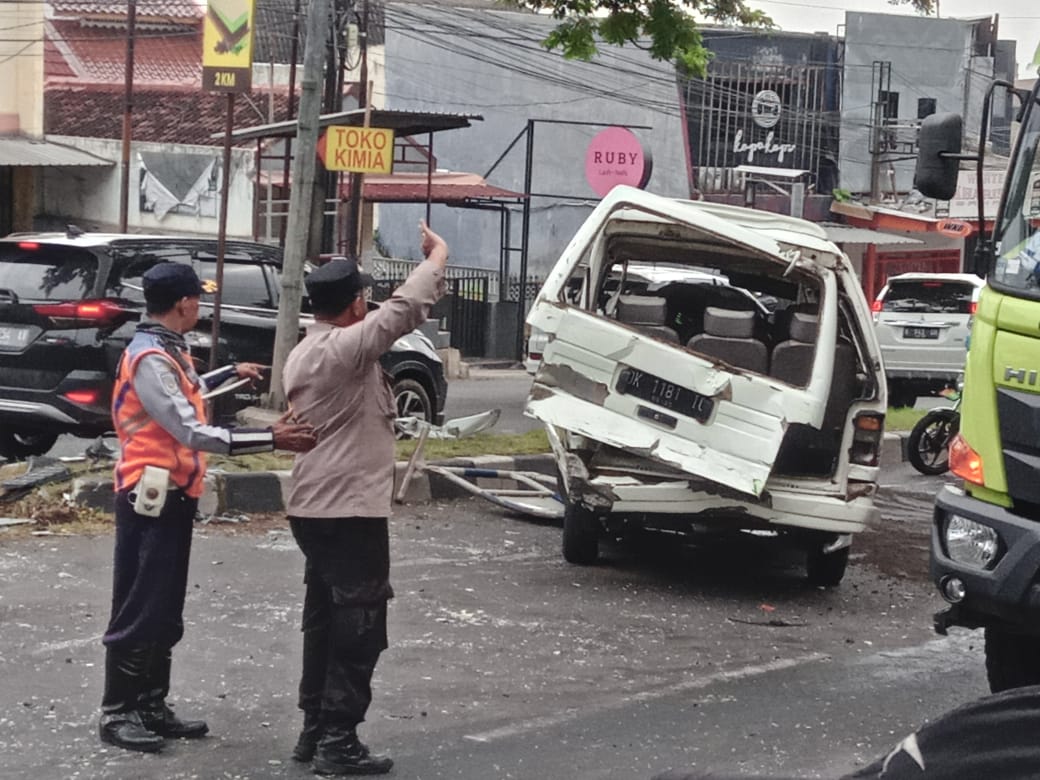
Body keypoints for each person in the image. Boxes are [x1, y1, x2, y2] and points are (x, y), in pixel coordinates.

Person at [99, 262, 317, 753]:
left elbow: (188, 393)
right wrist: (271, 437)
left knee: (164, 603)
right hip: (148, 493)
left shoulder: (165, 351)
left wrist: (228, 372)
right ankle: (119, 712)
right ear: (184, 304)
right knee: (140, 602)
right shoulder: (151, 359)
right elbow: (188, 427)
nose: (201, 305)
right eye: (198, 297)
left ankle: (152, 704)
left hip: (174, 492)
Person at [283, 221, 448, 776]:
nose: (370, 304)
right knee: (360, 621)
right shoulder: (343, 350)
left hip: (319, 506)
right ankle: (337, 739)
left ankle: (315, 728)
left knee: (325, 618)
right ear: (354, 306)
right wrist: (437, 259)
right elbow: (401, 312)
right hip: (347, 508)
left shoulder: (311, 349)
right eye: (364, 297)